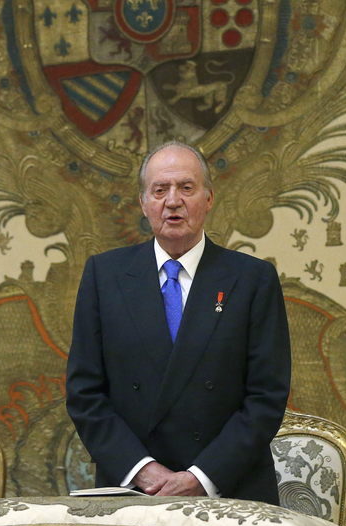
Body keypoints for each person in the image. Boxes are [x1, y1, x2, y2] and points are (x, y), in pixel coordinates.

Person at [65, 141, 291, 502]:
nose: (173, 201)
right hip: (134, 492)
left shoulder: (252, 279)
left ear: (208, 198)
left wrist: (202, 476)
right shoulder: (104, 275)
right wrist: (144, 471)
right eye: (160, 190)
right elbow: (84, 394)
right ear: (143, 203)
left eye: (186, 188)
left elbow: (266, 397)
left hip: (229, 490)